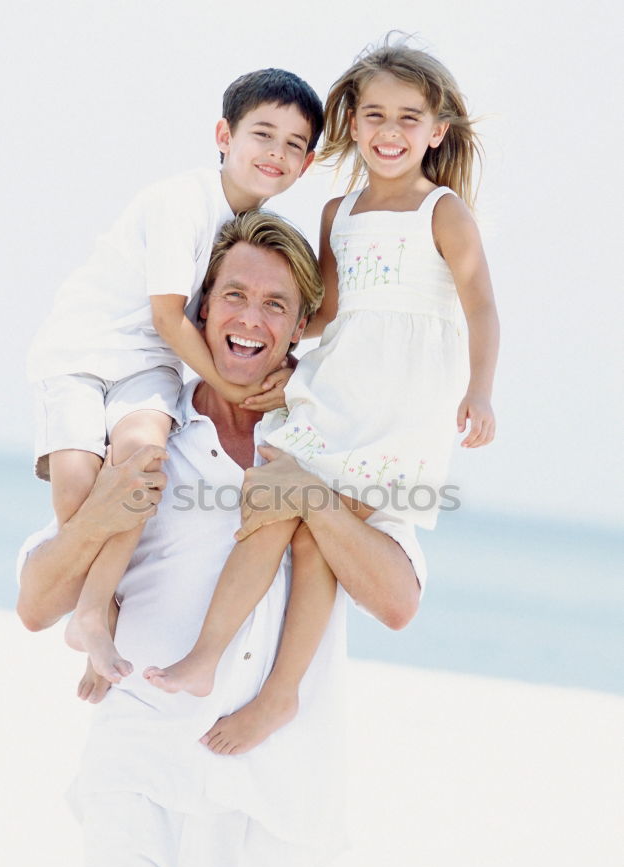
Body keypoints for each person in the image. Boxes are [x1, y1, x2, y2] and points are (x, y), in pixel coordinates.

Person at [17, 211, 427, 867]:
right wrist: (102, 511)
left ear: (303, 324)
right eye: (233, 295)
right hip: (135, 763)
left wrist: (311, 495)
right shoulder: (144, 429)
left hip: (268, 796)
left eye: (275, 304)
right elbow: (36, 603)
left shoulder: (333, 439)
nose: (249, 319)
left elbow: (398, 600)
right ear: (200, 308)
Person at [142, 37, 500, 756]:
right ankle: (206, 656)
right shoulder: (340, 211)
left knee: (316, 541)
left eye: (408, 118)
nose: (390, 132)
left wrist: (482, 393)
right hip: (334, 394)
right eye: (374, 115)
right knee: (270, 505)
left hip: (398, 415)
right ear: (352, 123)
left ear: (437, 131)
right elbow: (329, 313)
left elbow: (482, 307)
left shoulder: (444, 212)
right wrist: (280, 360)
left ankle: (280, 695)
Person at [27, 67, 323, 696]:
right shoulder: (182, 202)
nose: (275, 153)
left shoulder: (238, 235)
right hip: (83, 353)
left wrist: (289, 368)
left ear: (308, 161)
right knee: (81, 485)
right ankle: (96, 611)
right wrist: (235, 387)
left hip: (150, 363)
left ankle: (95, 613)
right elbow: (169, 314)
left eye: (293, 144)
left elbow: (287, 316)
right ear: (223, 134)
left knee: (143, 460)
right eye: (262, 134)